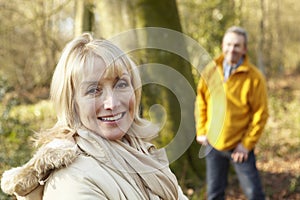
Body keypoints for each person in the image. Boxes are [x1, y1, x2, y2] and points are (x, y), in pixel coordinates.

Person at [1, 33, 188, 200]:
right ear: (71, 103)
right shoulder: (72, 178)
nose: (112, 103)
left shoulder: (140, 153)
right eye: (94, 90)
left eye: (121, 84)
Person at [195, 26, 269, 200]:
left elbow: (261, 113)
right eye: (228, 44)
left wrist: (246, 144)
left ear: (244, 48)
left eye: (237, 45)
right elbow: (201, 101)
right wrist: (202, 130)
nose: (231, 49)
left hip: (240, 146)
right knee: (214, 194)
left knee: (254, 193)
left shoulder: (254, 77)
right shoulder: (210, 70)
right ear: (222, 45)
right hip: (213, 144)